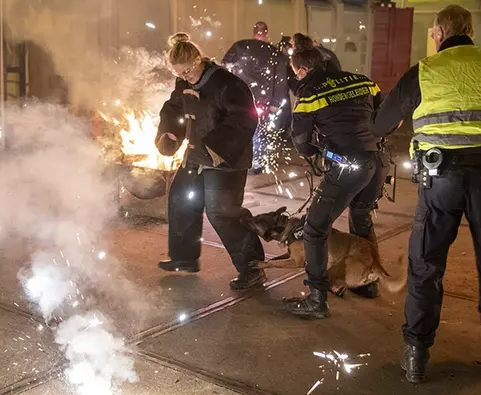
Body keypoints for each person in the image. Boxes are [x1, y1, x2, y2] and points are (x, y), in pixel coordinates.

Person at [372, 5, 481, 383]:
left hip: (439, 181)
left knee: (427, 265)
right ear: (470, 30)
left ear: (438, 33)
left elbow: (381, 123)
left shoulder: (425, 70)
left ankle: (417, 355)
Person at [283, 47, 389, 319]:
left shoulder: (310, 93)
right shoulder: (362, 80)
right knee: (362, 216)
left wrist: (315, 152)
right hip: (377, 162)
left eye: (296, 72)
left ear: (303, 70)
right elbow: (388, 117)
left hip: (346, 167)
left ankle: (317, 299)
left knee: (315, 229)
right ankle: (368, 283)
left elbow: (300, 141)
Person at [156, 33, 266, 290]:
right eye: (180, 74)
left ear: (199, 59)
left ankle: (253, 268)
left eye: (189, 71)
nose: (186, 77)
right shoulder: (183, 83)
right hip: (195, 157)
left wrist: (217, 148)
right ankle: (184, 258)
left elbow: (245, 118)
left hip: (226, 160)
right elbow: (173, 109)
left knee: (222, 213)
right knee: (181, 199)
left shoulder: (227, 84)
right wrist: (169, 134)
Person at [222, 21, 289, 174]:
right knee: (259, 130)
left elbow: (224, 66)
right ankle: (256, 163)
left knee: (237, 127)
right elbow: (280, 79)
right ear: (266, 33)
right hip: (262, 100)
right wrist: (276, 102)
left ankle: (236, 160)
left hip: (238, 96)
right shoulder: (273, 51)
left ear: (253, 32)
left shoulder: (239, 46)